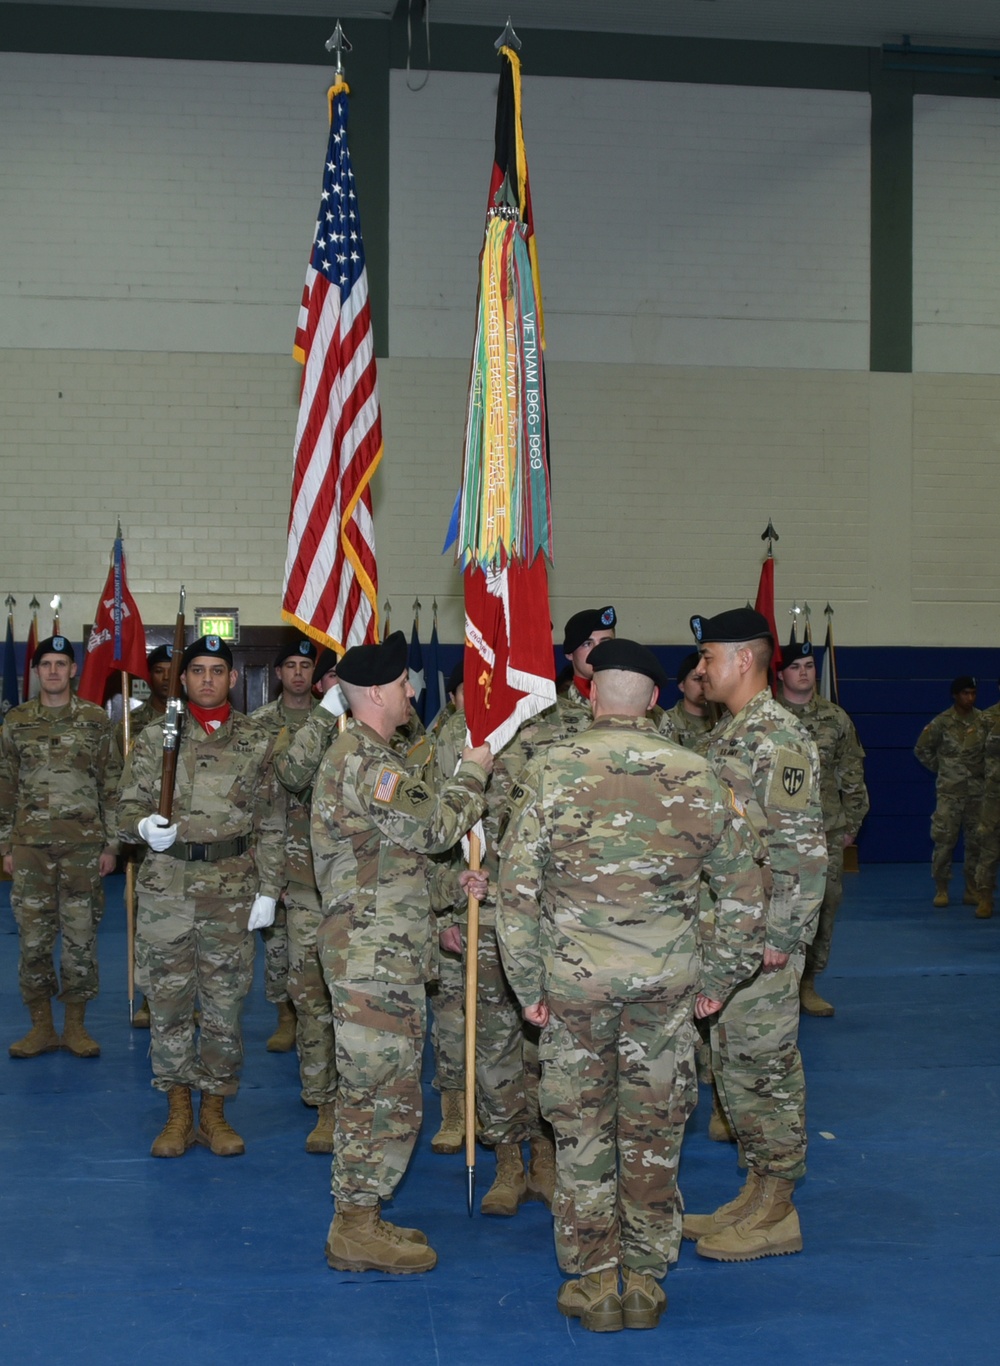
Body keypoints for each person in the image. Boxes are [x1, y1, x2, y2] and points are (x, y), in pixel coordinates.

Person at [496, 639, 765, 1333]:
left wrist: (526, 985)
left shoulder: (546, 770)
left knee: (582, 1136)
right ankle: (644, 1280)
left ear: (591, 695)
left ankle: (592, 1284)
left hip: (573, 988)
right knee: (652, 1134)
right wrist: (721, 977)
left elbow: (515, 894)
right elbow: (743, 888)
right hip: (667, 989)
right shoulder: (698, 772)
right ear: (654, 699)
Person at [311, 631, 492, 1275]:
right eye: (406, 683)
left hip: (382, 951)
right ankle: (354, 1225)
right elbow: (437, 825)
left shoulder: (370, 758)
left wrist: (449, 884)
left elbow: (393, 860)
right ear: (380, 691)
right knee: (374, 1092)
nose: (414, 690)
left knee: (385, 1088)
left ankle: (363, 1213)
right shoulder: (369, 763)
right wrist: (475, 767)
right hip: (371, 959)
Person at [682, 608, 826, 1262]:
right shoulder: (728, 736)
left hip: (763, 937)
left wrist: (784, 935)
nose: (700, 669)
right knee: (735, 1065)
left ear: (743, 659)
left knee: (765, 1067)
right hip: (727, 934)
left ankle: (779, 1209)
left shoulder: (779, 738)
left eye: (708, 656)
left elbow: (801, 848)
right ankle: (755, 1189)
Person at [117, 635, 284, 1158]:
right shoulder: (154, 738)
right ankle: (177, 1112)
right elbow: (122, 812)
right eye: (198, 671)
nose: (207, 679)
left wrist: (270, 891)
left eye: (217, 670)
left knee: (224, 1008)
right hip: (167, 887)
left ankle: (214, 1111)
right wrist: (143, 827)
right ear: (182, 680)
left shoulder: (259, 739)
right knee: (166, 1006)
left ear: (233, 679)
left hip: (232, 892)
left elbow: (273, 823)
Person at [432, 656, 557, 1213]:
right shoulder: (459, 740)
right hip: (481, 910)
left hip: (547, 916)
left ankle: (547, 1157)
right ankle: (506, 1161)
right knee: (493, 1045)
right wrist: (446, 913)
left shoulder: (560, 731)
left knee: (549, 1043)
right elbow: (431, 833)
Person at [0, 636, 121, 1058]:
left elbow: (111, 784)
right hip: (29, 848)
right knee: (32, 942)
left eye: (61, 664)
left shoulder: (94, 719)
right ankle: (40, 1028)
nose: (53, 671)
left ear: (73, 671)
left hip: (84, 850)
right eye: (46, 664)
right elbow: (5, 786)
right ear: (35, 672)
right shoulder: (15, 722)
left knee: (80, 940)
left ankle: (74, 1027)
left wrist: (113, 845)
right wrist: (5, 846)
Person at [778, 640, 869, 1016]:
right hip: (778, 834)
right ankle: (776, 987)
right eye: (796, 665)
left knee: (825, 906)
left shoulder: (836, 718)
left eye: (810, 665)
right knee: (779, 909)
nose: (804, 672)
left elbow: (852, 772)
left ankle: (807, 984)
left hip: (826, 830)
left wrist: (852, 823)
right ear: (781, 673)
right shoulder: (768, 718)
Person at [250, 635, 318, 1055]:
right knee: (276, 943)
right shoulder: (256, 724)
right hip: (272, 849)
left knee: (310, 944)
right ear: (278, 674)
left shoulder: (333, 722)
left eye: (305, 666)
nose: (297, 672)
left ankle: (313, 1017)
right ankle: (285, 1017)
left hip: (316, 852)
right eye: (290, 665)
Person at [117, 642, 177, 1030]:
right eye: (159, 670)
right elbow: (116, 785)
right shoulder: (130, 723)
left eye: (174, 668)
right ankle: (147, 999)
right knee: (145, 925)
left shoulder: (194, 722)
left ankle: (185, 999)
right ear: (148, 676)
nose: (167, 676)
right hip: (142, 846)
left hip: (185, 844)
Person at [508, 606, 617, 767]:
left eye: (605, 642)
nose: (598, 651)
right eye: (587, 644)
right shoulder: (545, 714)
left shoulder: (645, 711)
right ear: (569, 654)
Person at [914, 676, 986, 907]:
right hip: (950, 793)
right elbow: (922, 749)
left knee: (976, 843)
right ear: (955, 695)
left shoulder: (983, 721)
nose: (970, 698)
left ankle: (972, 888)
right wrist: (943, 769)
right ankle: (942, 888)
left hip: (976, 793)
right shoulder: (942, 723)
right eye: (965, 693)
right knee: (944, 842)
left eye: (973, 693)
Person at [656, 650, 713, 754]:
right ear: (682, 685)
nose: (703, 685)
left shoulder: (727, 721)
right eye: (697, 679)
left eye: (708, 679)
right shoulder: (665, 723)